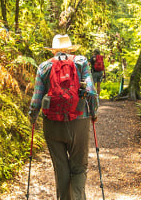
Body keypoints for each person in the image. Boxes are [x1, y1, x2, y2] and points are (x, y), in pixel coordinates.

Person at [29, 34, 98, 200]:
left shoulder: (44, 67)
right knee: (79, 168)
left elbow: (36, 99)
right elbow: (91, 92)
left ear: (53, 50)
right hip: (79, 120)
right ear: (70, 48)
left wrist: (33, 118)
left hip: (52, 124)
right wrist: (94, 113)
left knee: (61, 169)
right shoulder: (81, 62)